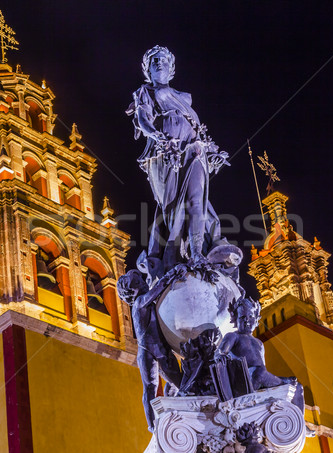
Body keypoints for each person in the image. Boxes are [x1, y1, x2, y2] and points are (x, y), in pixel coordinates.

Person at [127, 45, 229, 274]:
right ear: (147, 70)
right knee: (172, 208)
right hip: (165, 154)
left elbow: (197, 128)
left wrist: (212, 152)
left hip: (194, 151)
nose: (159, 63)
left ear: (172, 68)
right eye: (154, 61)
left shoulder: (184, 98)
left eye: (163, 60)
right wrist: (157, 136)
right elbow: (143, 120)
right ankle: (172, 255)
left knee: (196, 201)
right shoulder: (146, 92)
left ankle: (197, 254)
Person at [117, 270, 183, 431]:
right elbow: (158, 288)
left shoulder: (150, 302)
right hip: (148, 352)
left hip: (162, 350)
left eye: (142, 280)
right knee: (151, 387)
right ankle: (152, 425)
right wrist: (171, 274)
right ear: (131, 291)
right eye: (139, 283)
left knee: (178, 383)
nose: (144, 283)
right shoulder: (140, 302)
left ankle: (171, 408)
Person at [216, 297, 304, 411]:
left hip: (261, 378)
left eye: (250, 317)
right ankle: (282, 384)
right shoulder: (233, 336)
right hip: (245, 379)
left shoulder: (259, 343)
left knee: (297, 387)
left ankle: (299, 422)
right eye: (242, 317)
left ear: (256, 319)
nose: (247, 320)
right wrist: (221, 356)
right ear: (235, 320)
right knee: (260, 372)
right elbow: (220, 353)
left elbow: (264, 368)